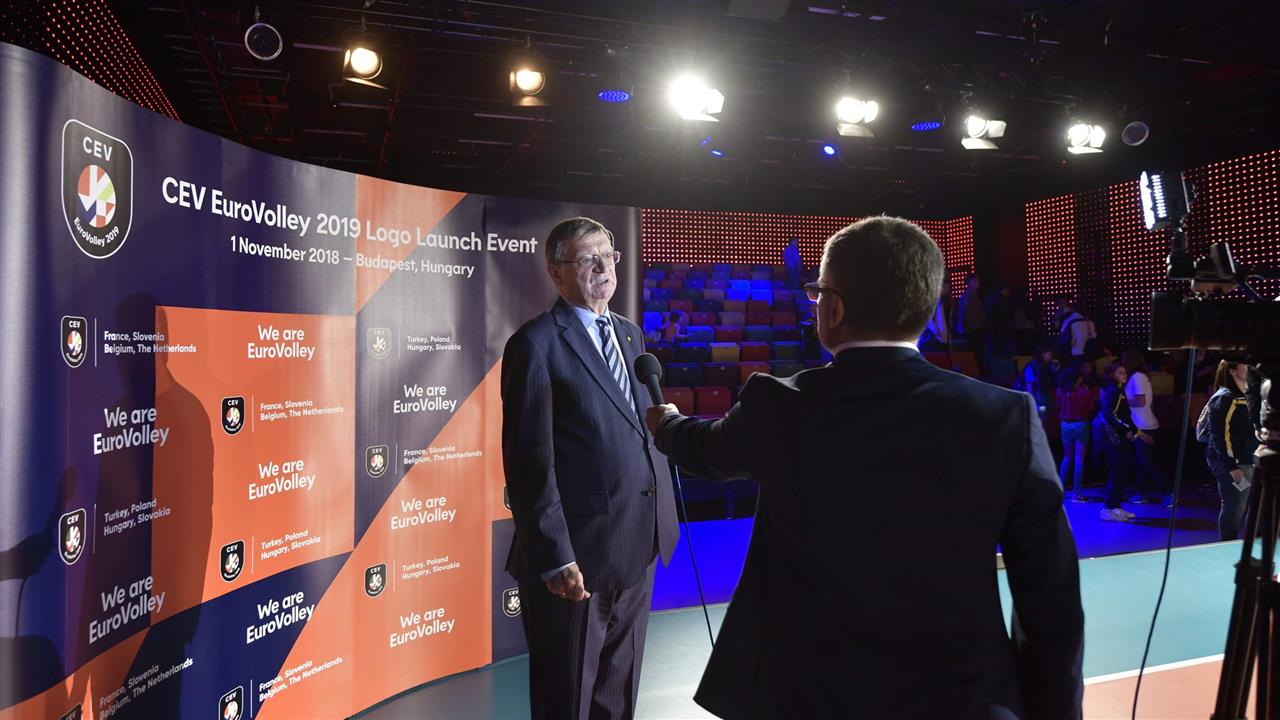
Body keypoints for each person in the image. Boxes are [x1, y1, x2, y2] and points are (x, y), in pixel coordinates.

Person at [645, 216, 1084, 720]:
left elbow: (704, 450)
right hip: (963, 701)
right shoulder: (1006, 417)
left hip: (807, 699)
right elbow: (1051, 600)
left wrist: (667, 423)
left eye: (817, 292)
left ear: (833, 308)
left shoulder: (778, 405)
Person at [501, 216, 679, 720]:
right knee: (568, 700)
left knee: (617, 695)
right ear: (556, 273)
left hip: (637, 543)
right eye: (588, 259)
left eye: (609, 256)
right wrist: (555, 556)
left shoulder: (630, 335)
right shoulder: (535, 344)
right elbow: (529, 462)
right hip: (576, 557)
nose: (604, 268)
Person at [1200, 361, 1260, 540]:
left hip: (1250, 457)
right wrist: (1230, 465)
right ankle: (1227, 544)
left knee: (1256, 506)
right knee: (1235, 507)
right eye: (1244, 365)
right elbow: (1220, 435)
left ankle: (1253, 543)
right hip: (1234, 461)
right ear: (1232, 371)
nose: (1249, 367)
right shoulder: (1225, 398)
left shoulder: (1252, 394)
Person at [1094, 363, 1142, 522]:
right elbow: (1109, 414)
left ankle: (1115, 506)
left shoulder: (1118, 390)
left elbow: (1124, 414)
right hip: (1115, 439)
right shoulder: (1113, 391)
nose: (1124, 374)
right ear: (1112, 375)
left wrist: (1133, 429)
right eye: (1120, 372)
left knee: (1121, 472)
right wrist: (1126, 429)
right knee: (1117, 472)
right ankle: (1107, 508)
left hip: (1121, 438)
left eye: (1124, 372)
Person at [1122, 349, 1168, 505]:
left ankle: (1168, 491)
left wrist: (1122, 403)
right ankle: (1142, 492)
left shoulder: (1138, 377)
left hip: (1144, 424)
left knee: (1146, 462)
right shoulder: (1137, 377)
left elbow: (1141, 401)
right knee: (1140, 462)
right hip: (1139, 423)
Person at [1057, 363, 1098, 502]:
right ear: (1078, 378)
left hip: (1065, 425)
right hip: (1081, 424)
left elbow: (1059, 407)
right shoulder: (1084, 390)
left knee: (1067, 457)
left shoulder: (1059, 390)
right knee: (1079, 459)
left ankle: (1060, 491)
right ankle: (1076, 494)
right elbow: (1091, 407)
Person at [1018, 341, 1059, 417]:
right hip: (1038, 399)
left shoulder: (1046, 366)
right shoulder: (1031, 367)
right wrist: (1033, 404)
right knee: (1040, 418)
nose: (1051, 357)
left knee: (1044, 416)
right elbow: (1029, 388)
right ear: (1043, 353)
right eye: (1049, 354)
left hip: (1045, 398)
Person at [918, 277, 952, 351]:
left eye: (948, 288)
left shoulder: (939, 300)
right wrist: (936, 331)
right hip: (935, 336)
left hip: (938, 335)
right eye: (945, 287)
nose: (947, 290)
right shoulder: (933, 300)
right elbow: (929, 318)